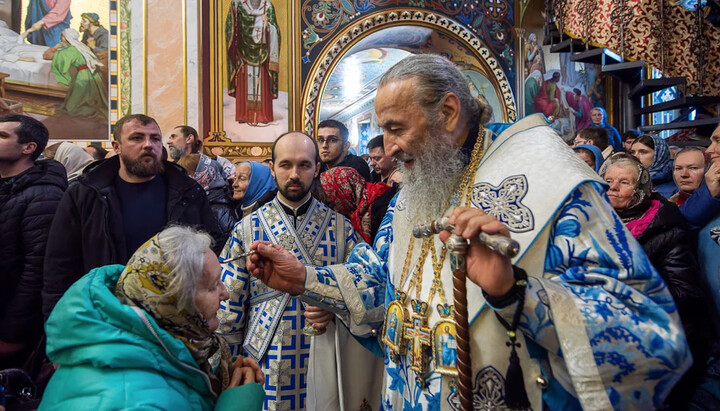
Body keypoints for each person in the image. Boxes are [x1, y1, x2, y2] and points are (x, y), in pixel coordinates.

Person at [243, 54, 690, 409]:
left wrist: (515, 292)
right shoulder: (415, 188)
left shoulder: (547, 182)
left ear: (449, 112)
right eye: (383, 130)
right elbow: (383, 280)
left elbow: (651, 339)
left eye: (396, 129)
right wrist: (305, 279)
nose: (389, 147)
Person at [216, 132, 383, 411]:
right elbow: (227, 304)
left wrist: (337, 307)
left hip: (328, 353)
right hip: (264, 360)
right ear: (272, 168)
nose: (295, 174)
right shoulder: (246, 229)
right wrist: (231, 366)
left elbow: (369, 291)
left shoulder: (342, 229)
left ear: (316, 168)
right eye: (285, 165)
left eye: (304, 165)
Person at [39, 226, 265, 410]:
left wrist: (212, 384)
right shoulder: (137, 400)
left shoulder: (139, 345)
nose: (225, 294)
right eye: (213, 285)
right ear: (177, 302)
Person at [42, 114, 224, 319]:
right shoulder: (86, 193)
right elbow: (60, 261)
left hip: (174, 313)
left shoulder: (187, 191)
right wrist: (57, 318)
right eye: (137, 138)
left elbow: (211, 244)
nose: (148, 145)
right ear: (116, 146)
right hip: (106, 313)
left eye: (155, 139)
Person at [600, 153, 715, 408]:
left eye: (624, 182)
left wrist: (627, 294)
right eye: (608, 181)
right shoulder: (596, 222)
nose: (614, 188)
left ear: (641, 188)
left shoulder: (666, 226)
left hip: (662, 339)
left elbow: (687, 294)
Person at [0, 114, 66, 369]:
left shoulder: (44, 195)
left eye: (3, 135)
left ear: (28, 148)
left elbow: (37, 270)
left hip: (12, 323)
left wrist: (12, 332)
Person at [226, 0, 280, 124]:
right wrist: (233, 13)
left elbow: (275, 28)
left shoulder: (268, 6)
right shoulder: (239, 5)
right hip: (243, 49)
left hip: (262, 52)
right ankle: (244, 115)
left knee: (262, 81)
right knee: (245, 80)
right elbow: (231, 26)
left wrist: (268, 26)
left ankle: (263, 115)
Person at [316, 166, 391, 243]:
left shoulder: (382, 205)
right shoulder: (356, 212)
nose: (336, 210)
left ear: (346, 192)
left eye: (335, 203)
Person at [49, 29, 108, 121]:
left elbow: (48, 56)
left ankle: (89, 109)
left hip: (84, 75)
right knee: (92, 99)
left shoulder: (71, 50)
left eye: (62, 36)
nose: (61, 38)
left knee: (73, 107)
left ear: (66, 38)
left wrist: (55, 48)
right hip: (95, 75)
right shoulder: (81, 46)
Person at [178, 153, 235, 241]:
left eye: (185, 175)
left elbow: (227, 245)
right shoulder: (202, 202)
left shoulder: (218, 209)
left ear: (201, 175)